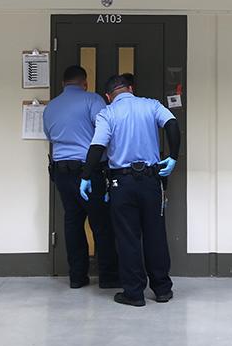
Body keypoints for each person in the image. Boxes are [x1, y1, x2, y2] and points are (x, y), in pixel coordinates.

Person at [80, 74, 180, 307]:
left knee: (128, 238)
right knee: (155, 234)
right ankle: (162, 289)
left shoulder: (107, 113)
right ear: (131, 89)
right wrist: (173, 157)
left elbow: (97, 146)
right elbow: (172, 124)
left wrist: (85, 176)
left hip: (121, 184)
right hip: (151, 181)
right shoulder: (152, 105)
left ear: (108, 96)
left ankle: (134, 293)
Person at [43, 65, 119, 290]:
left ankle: (77, 277)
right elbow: (106, 130)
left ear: (63, 84)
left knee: (73, 222)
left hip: (61, 171)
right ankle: (108, 277)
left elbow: (49, 136)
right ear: (84, 83)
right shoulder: (92, 100)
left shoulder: (50, 108)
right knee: (101, 224)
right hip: (89, 170)